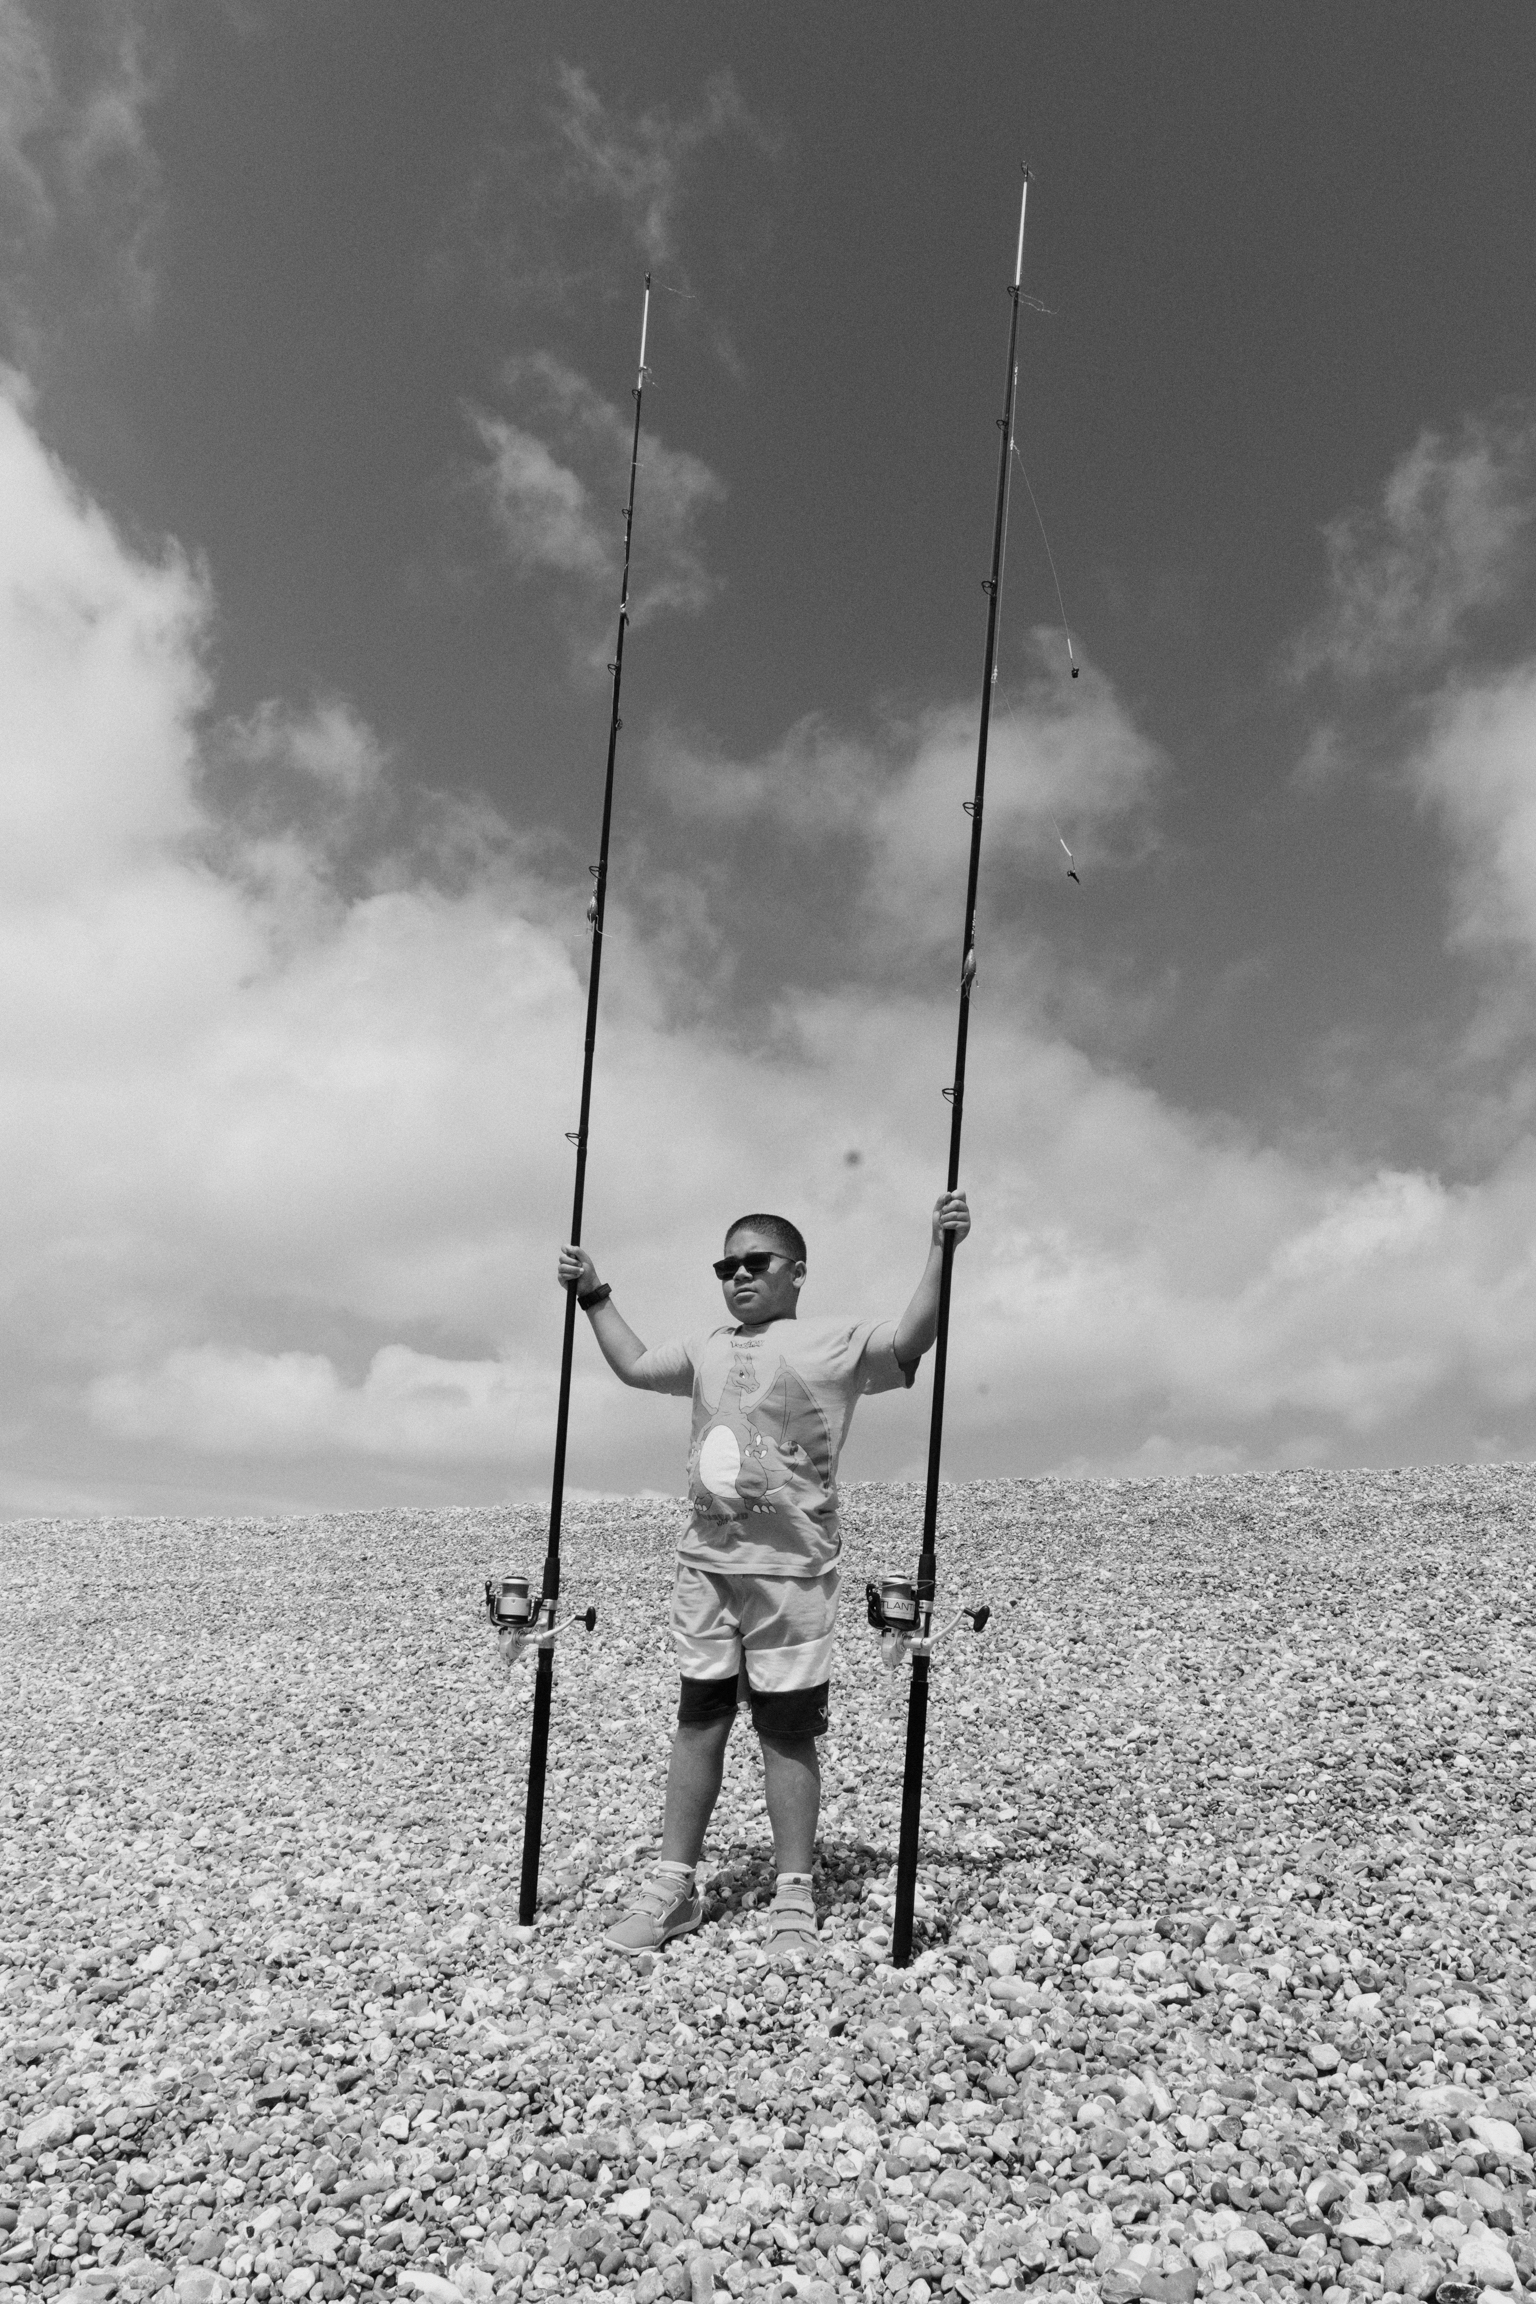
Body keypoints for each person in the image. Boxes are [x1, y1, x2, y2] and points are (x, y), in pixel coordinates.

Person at [555, 1190, 971, 1960]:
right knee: (699, 1721)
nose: (738, 1275)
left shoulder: (837, 1341)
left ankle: (793, 1898)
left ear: (796, 1273)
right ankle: (673, 1886)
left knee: (786, 1734)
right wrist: (594, 1294)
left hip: (793, 1577)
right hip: (705, 1571)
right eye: (726, 1265)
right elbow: (637, 1367)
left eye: (756, 1262)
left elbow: (917, 1335)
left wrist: (941, 1249)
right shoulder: (708, 1344)